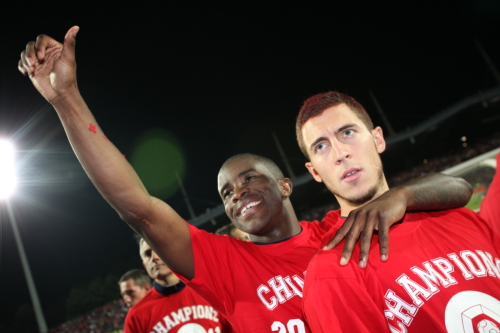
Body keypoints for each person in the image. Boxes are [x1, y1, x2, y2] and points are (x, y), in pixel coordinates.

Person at [18, 27, 473, 332]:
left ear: (287, 184)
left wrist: (403, 195)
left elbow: (459, 189)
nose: (237, 195)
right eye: (226, 192)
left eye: (250, 179)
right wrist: (66, 100)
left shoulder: (340, 232)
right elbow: (136, 206)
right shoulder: (222, 263)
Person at [297, 91, 500, 332]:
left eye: (347, 133)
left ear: (378, 139)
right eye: (321, 146)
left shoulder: (459, 216)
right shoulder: (331, 272)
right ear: (314, 172)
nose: (340, 153)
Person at [124, 239, 232, 333]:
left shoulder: (211, 292)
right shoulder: (136, 316)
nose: (154, 257)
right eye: (147, 254)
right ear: (145, 265)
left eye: (158, 249)